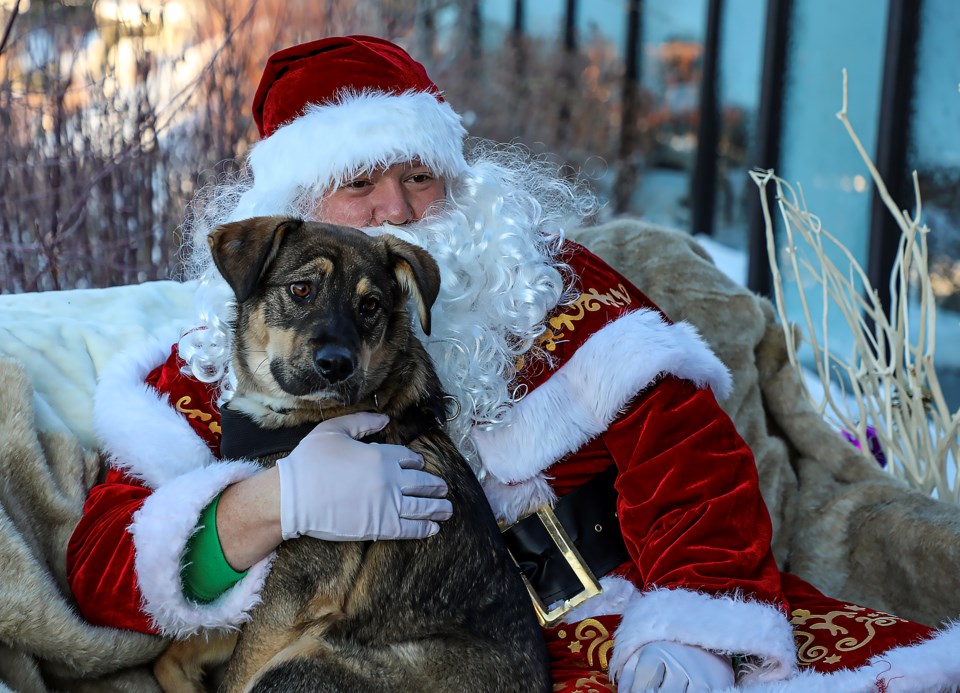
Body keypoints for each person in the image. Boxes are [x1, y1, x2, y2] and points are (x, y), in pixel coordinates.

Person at [66, 35, 960, 691]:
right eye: (362, 184)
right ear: (298, 211)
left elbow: (694, 461)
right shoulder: (216, 358)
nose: (398, 211)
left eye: (421, 177)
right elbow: (105, 565)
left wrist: (691, 630)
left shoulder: (552, 285)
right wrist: (270, 504)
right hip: (375, 655)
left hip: (616, 615)